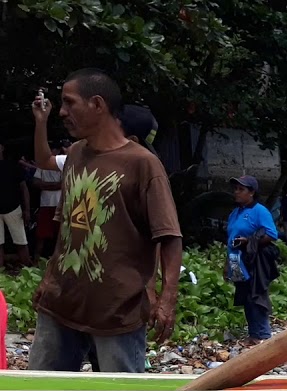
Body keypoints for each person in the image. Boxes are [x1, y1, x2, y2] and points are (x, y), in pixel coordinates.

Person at [26, 69, 182, 373]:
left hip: (117, 311)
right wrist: (48, 277)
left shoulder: (143, 164)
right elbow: (67, 226)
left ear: (97, 104)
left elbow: (168, 236)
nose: (62, 112)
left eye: (69, 103)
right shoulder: (75, 153)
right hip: (61, 304)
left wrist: (167, 299)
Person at [225, 175, 280, 342]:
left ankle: (263, 335)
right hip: (235, 260)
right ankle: (253, 334)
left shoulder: (259, 211)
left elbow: (272, 235)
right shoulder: (235, 213)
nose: (237, 192)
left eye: (241, 189)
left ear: (251, 192)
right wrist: (226, 264)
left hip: (252, 260)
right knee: (244, 296)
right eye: (236, 189)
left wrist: (249, 241)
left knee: (256, 296)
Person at [0, 143, 32, 266]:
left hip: (13, 207)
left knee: (21, 241)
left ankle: (29, 271)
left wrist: (27, 209)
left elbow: (24, 188)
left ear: (2, 147)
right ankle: (1, 277)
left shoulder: (13, 165)